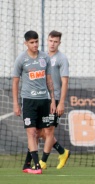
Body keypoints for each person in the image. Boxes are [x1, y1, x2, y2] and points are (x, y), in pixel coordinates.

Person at [13, 30, 56, 174]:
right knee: (31, 132)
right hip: (28, 100)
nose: (35, 45)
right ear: (26, 43)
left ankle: (26, 164)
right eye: (32, 42)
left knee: (38, 133)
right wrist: (16, 103)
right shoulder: (21, 59)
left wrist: (53, 100)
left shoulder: (45, 58)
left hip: (44, 100)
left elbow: (49, 80)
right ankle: (37, 166)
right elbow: (15, 82)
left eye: (36, 41)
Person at [36, 30, 70, 169]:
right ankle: (62, 152)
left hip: (53, 100)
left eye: (55, 41)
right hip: (41, 98)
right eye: (51, 41)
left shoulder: (62, 59)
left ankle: (42, 162)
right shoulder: (41, 57)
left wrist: (60, 102)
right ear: (47, 40)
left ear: (59, 43)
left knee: (49, 131)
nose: (52, 44)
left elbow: (65, 82)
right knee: (40, 132)